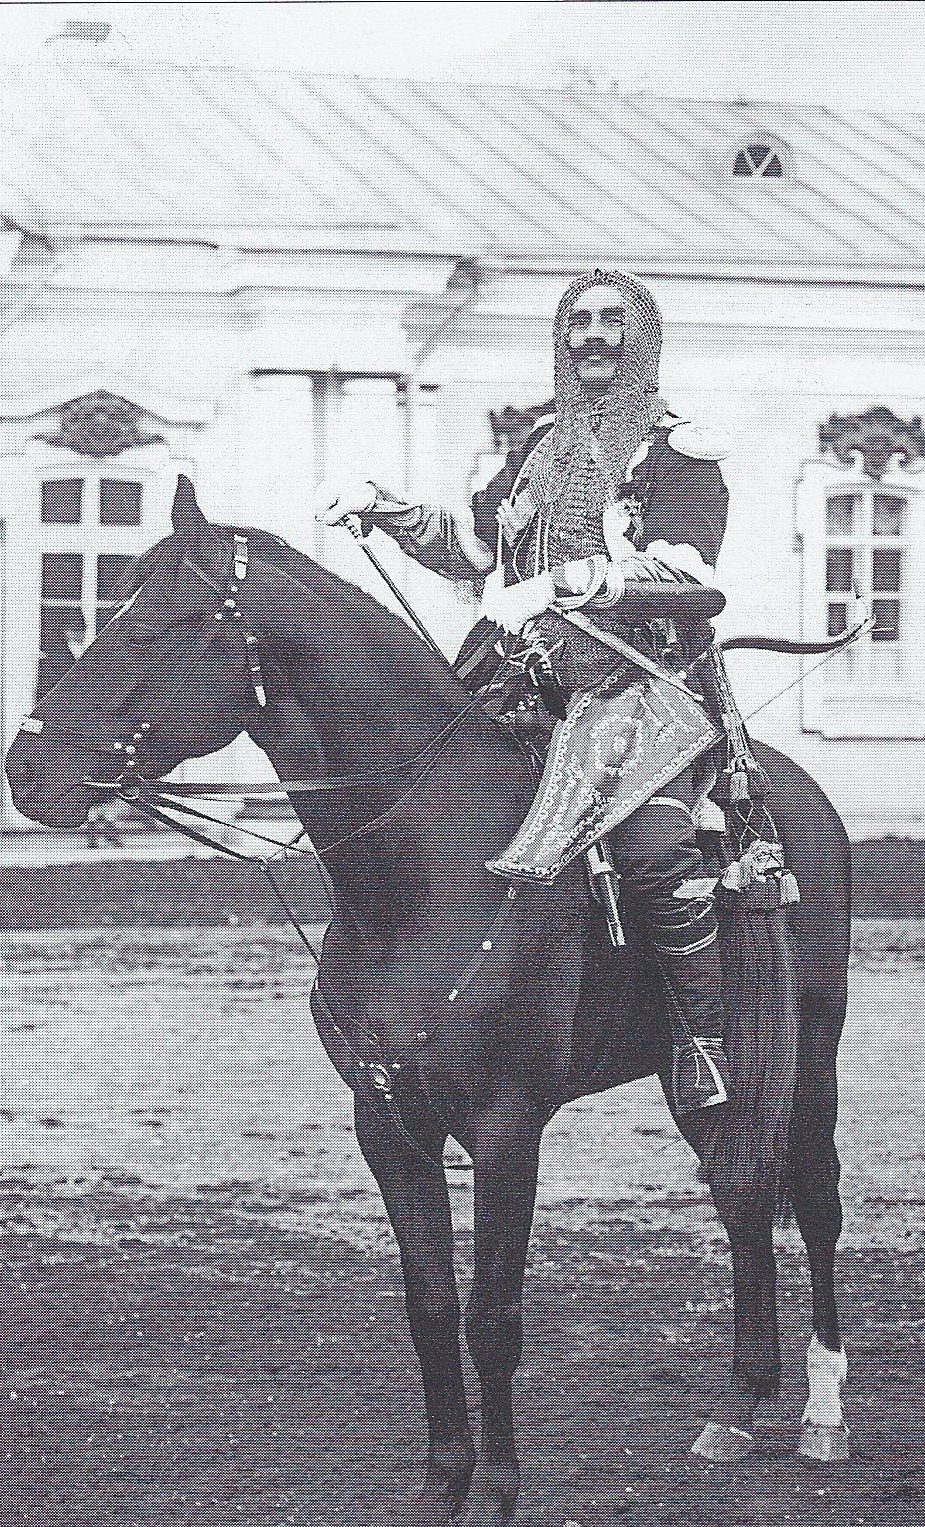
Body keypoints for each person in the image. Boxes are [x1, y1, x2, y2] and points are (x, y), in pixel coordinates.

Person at [316, 269, 733, 1114]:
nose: (592, 335)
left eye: (613, 321)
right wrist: (388, 512)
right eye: (577, 321)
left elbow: (687, 577)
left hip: (635, 690)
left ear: (643, 338)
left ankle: (700, 1040)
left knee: (654, 856)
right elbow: (473, 550)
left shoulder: (679, 452)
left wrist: (565, 585)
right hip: (514, 678)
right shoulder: (536, 448)